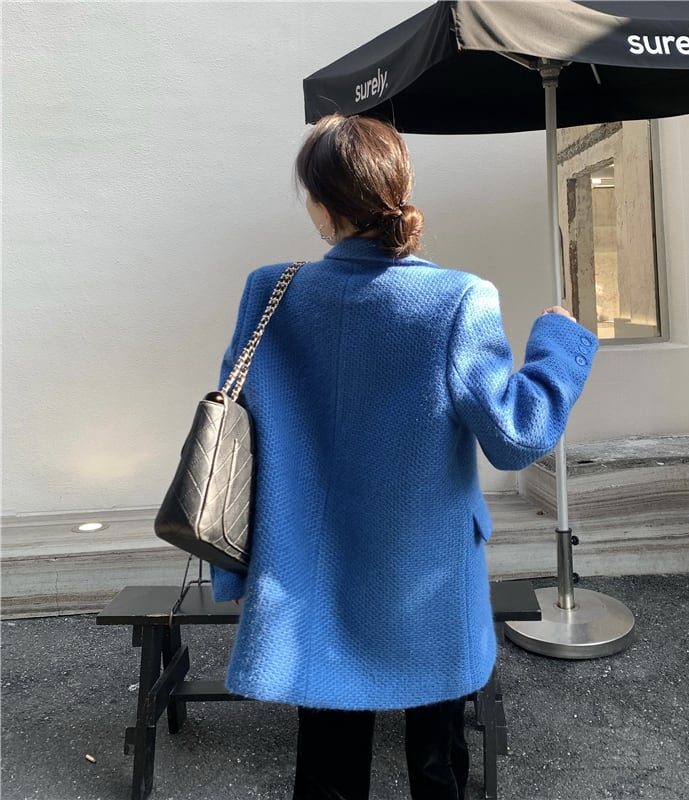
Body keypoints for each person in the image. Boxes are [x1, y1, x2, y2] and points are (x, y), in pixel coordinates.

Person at [210, 113, 599, 800]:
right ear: (400, 187)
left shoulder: (271, 294)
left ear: (320, 205)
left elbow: (236, 438)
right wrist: (556, 344)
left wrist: (233, 568)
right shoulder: (458, 300)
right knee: (437, 762)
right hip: (427, 571)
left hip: (310, 569)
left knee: (327, 766)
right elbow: (516, 435)